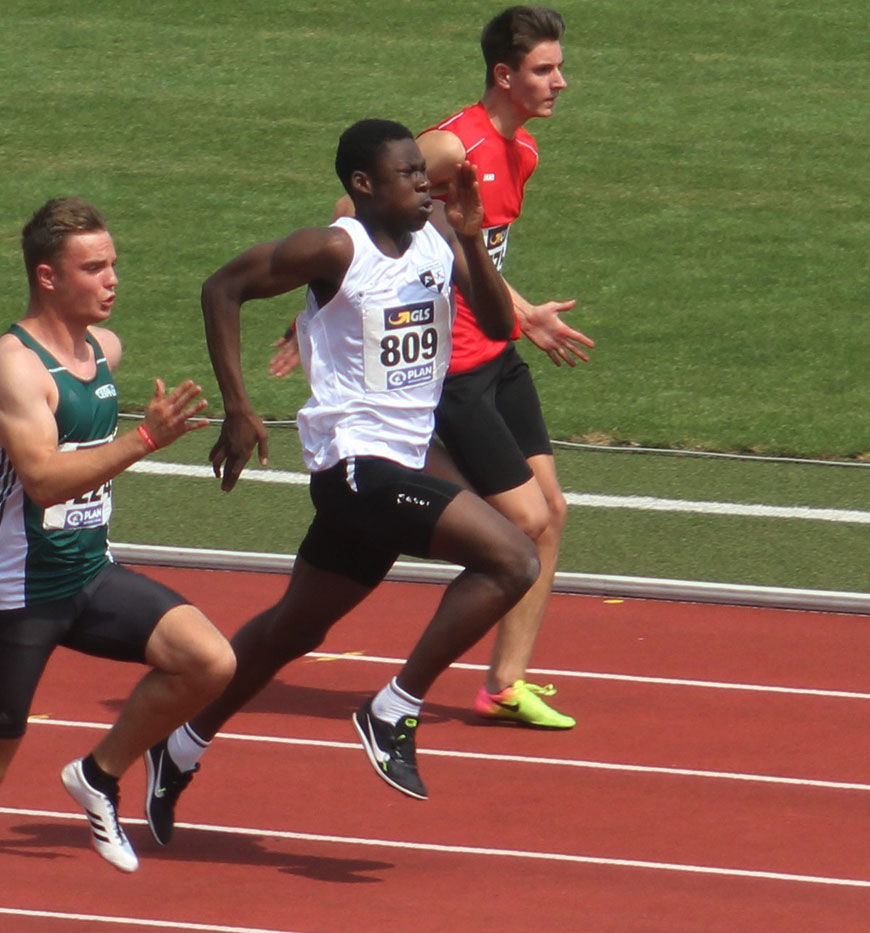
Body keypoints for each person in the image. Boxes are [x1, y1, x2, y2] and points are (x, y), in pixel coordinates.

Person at [142, 119, 539, 845]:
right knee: (513, 556)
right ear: (364, 185)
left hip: (410, 454)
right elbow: (221, 287)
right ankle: (394, 706)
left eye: (426, 170)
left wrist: (474, 238)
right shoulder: (334, 248)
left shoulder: (438, 241)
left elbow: (492, 321)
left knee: (296, 626)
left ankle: (179, 746)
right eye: (408, 173)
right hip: (355, 462)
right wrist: (238, 405)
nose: (426, 182)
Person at [0, 197, 235, 929]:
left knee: (209, 660)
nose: (112, 279)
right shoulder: (13, 367)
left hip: (87, 572)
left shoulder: (104, 351)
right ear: (48, 277)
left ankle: (97, 774)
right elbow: (45, 479)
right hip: (15, 593)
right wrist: (145, 441)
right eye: (95, 268)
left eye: (113, 263)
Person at [271, 6, 589, 729]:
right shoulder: (452, 144)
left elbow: (472, 248)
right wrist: (325, 301)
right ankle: (407, 686)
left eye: (559, 67)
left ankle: (505, 682)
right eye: (545, 69)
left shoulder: (522, 151)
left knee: (552, 513)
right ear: (505, 75)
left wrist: (524, 309)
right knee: (523, 524)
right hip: (447, 368)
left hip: (496, 353)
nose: (560, 82)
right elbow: (355, 212)